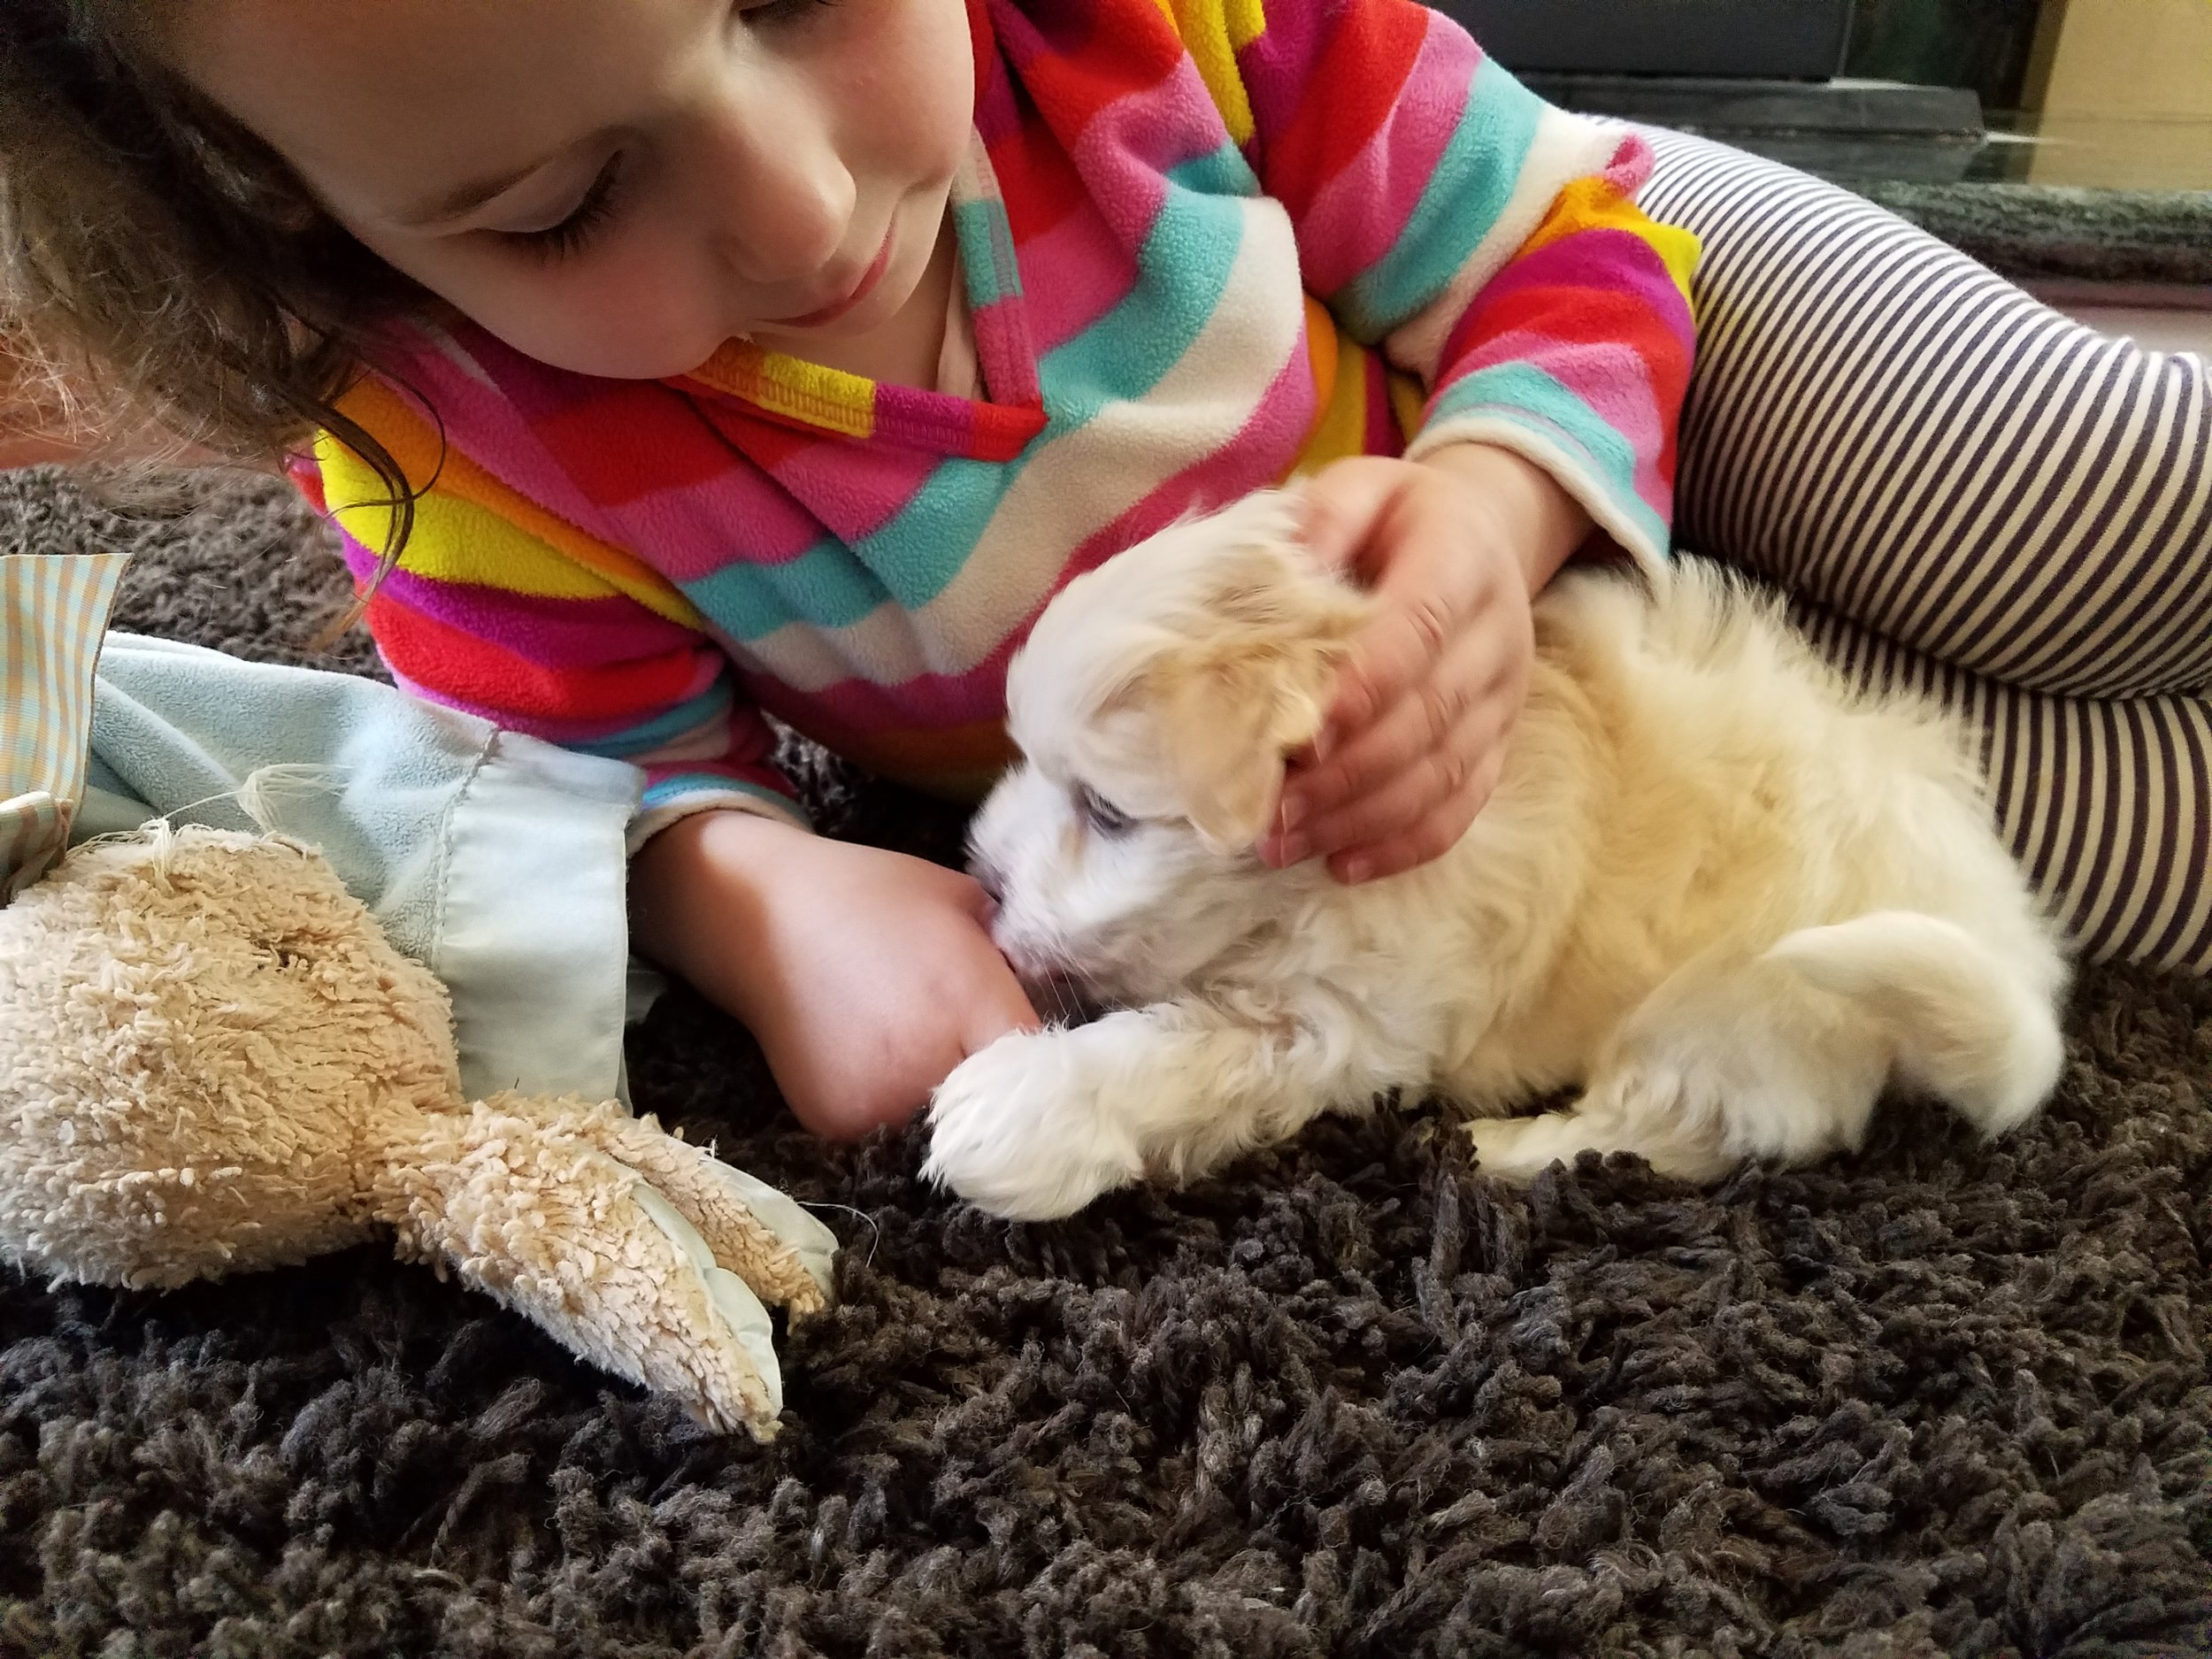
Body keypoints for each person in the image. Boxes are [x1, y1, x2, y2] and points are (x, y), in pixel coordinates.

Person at [3, 0, 1701, 1139]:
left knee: (1964, 462)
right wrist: (761, 908)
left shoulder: (1172, 26)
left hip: (1588, 445)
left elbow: (1566, 238)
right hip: (1493, 825)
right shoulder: (453, 451)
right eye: (565, 204)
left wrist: (1495, 504)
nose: (808, 217)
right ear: (294, 221)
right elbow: (576, 781)